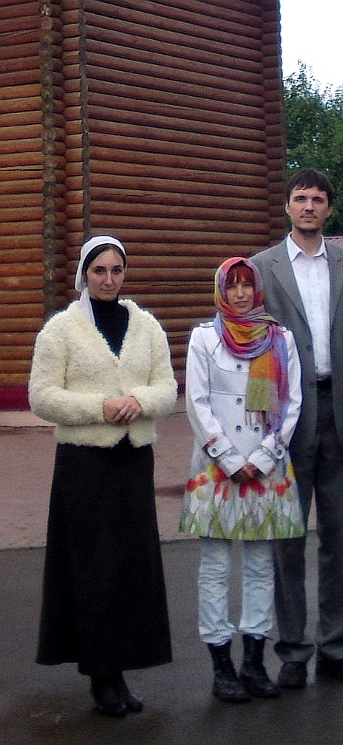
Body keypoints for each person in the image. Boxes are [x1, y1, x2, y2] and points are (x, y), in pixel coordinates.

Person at [29, 235, 178, 717]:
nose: (109, 280)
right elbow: (41, 397)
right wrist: (100, 406)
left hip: (133, 462)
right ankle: (101, 676)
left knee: (131, 567)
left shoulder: (146, 325)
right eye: (99, 271)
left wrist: (140, 400)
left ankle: (122, 670)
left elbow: (167, 386)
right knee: (94, 568)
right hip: (84, 466)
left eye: (116, 270)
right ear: (84, 274)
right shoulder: (61, 329)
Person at [251, 169, 343, 689]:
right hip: (286, 422)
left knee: (342, 540)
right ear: (286, 206)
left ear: (329, 209)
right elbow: (253, 349)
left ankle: (336, 648)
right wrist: (262, 425)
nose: (308, 206)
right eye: (300, 198)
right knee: (287, 540)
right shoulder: (261, 268)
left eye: (318, 199)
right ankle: (294, 651)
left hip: (341, 414)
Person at [180, 257, 304, 703]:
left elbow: (290, 402)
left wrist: (265, 455)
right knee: (214, 567)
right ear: (220, 290)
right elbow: (196, 402)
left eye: (247, 285)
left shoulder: (279, 338)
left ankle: (254, 662)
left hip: (266, 466)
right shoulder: (204, 338)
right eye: (231, 286)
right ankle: (222, 666)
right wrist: (230, 458)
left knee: (259, 565)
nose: (240, 294)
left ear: (257, 289)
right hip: (217, 468)